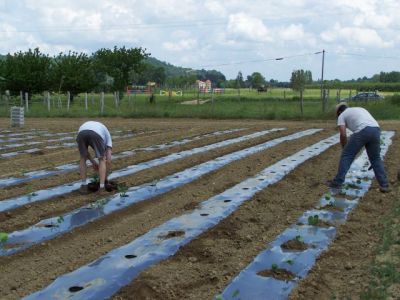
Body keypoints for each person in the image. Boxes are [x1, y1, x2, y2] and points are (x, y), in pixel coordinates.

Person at [328, 103, 390, 193]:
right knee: (375, 158)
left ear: (339, 112)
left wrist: (344, 148)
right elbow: (370, 125)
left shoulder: (342, 115)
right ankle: (384, 185)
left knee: (346, 156)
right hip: (376, 130)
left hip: (362, 130)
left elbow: (343, 134)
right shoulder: (360, 109)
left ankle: (337, 182)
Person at [76, 121, 112, 193]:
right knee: (101, 159)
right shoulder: (108, 139)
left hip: (81, 132)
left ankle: (84, 186)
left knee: (83, 158)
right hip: (96, 133)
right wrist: (106, 177)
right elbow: (108, 160)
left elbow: (85, 153)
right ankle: (102, 188)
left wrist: (93, 162)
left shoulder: (101, 127)